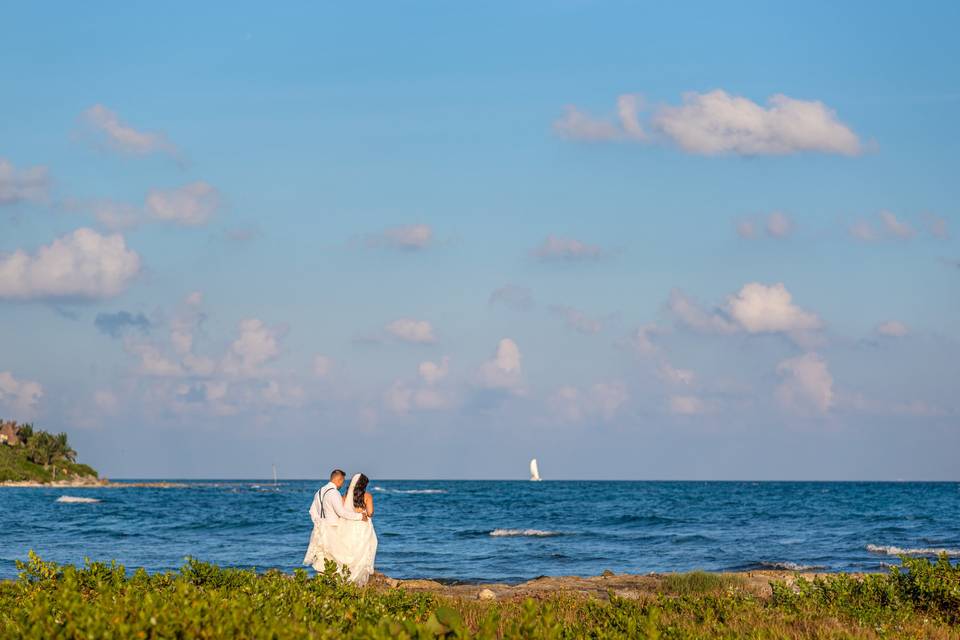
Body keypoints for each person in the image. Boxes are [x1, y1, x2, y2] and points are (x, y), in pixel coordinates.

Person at [303, 470, 378, 586]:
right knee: (336, 556)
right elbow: (341, 512)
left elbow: (312, 511)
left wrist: (319, 523)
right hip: (332, 528)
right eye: (342, 481)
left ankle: (323, 582)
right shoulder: (334, 493)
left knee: (324, 555)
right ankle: (339, 582)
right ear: (339, 480)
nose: (342, 484)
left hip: (320, 528)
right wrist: (359, 516)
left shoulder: (319, 492)